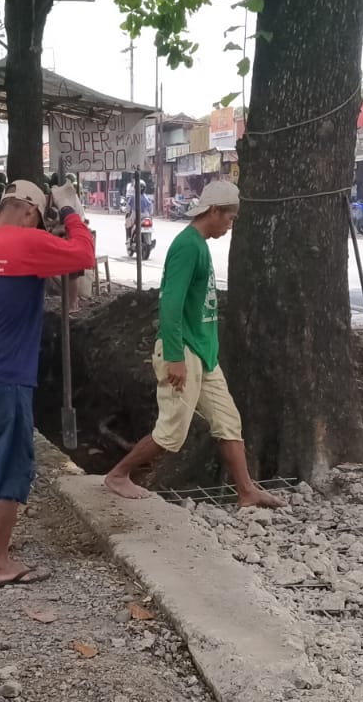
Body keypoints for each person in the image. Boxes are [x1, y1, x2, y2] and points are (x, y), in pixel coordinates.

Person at [103, 181, 284, 509]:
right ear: (213, 211)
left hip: (204, 353)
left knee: (229, 421)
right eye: (229, 217)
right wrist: (174, 356)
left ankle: (246, 491)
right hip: (183, 350)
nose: (230, 224)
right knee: (171, 432)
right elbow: (170, 305)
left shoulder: (199, 244)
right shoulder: (188, 245)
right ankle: (118, 475)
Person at [0, 178, 96, 584]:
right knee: (13, 464)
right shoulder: (26, 243)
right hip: (4, 375)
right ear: (32, 212)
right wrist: (70, 211)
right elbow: (82, 253)